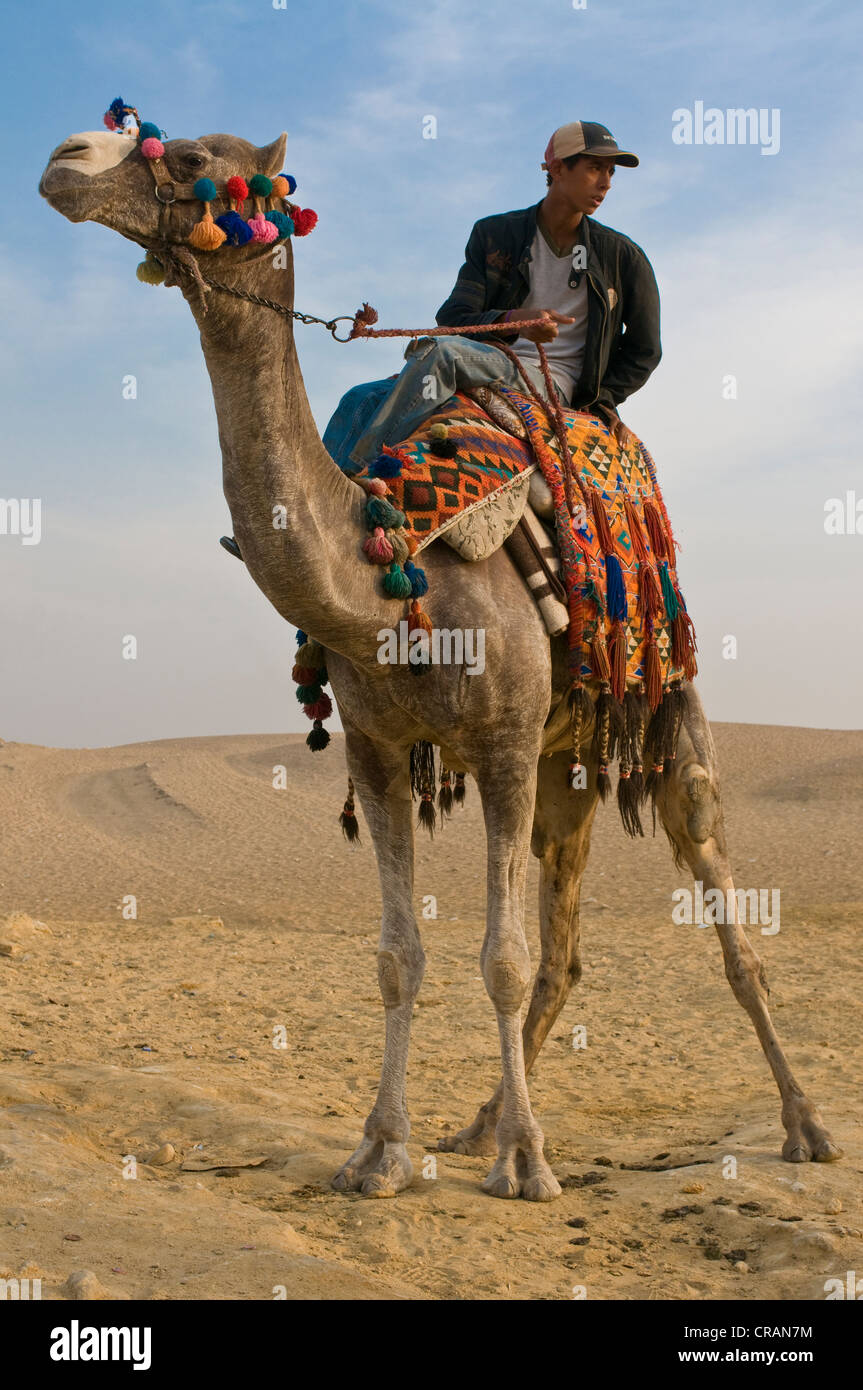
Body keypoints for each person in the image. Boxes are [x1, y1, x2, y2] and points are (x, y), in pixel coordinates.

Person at [323, 120, 661, 472]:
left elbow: (645, 349)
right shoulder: (495, 235)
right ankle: (318, 500)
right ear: (558, 168)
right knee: (357, 400)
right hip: (486, 359)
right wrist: (515, 322)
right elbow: (454, 318)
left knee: (444, 355)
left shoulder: (623, 258)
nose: (606, 182)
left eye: (610, 172)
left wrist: (598, 399)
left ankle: (359, 476)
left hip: (553, 385)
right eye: (594, 168)